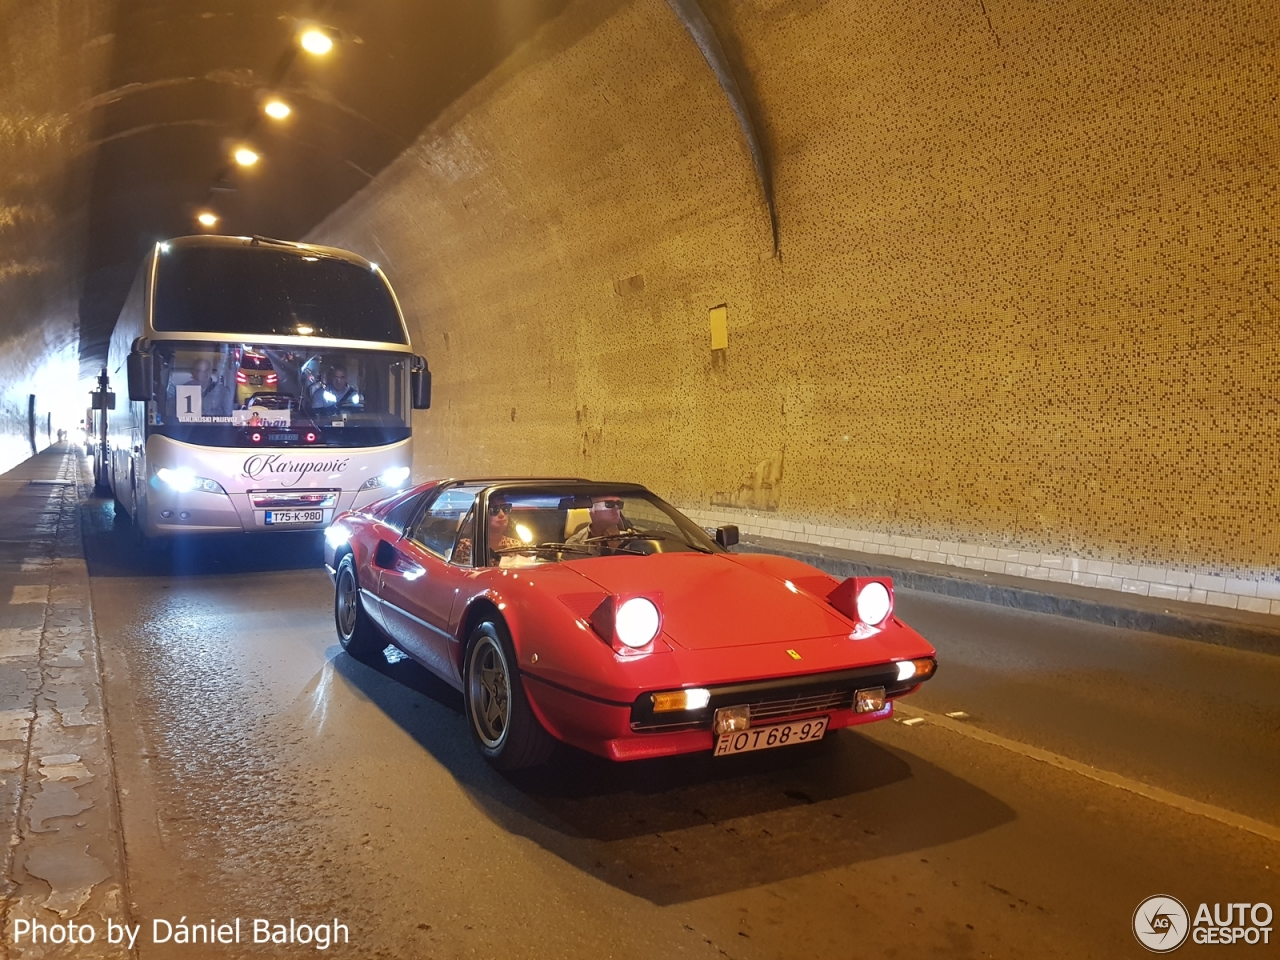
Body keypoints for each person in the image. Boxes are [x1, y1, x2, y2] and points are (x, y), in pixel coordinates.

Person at [453, 498, 524, 566]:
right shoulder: (466, 547)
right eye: (494, 509)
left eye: (506, 508)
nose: (502, 514)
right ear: (483, 514)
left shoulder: (519, 547)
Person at [565, 495, 631, 543]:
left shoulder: (632, 541)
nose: (616, 508)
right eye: (609, 504)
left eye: (619, 504)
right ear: (592, 509)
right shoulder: (575, 545)